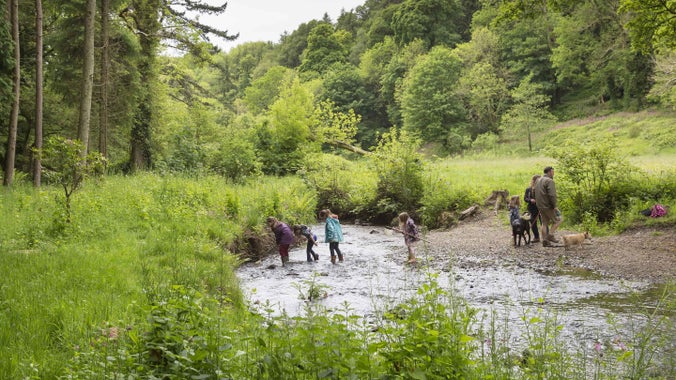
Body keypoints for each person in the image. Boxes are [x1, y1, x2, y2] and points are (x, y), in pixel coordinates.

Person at [534, 166, 561, 246]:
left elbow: (533, 192)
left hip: (540, 205)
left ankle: (545, 241)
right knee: (558, 220)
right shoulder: (549, 181)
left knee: (544, 223)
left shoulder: (538, 180)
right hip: (548, 205)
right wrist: (554, 206)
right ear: (549, 172)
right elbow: (552, 195)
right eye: (553, 172)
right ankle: (550, 235)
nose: (553, 173)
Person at [524, 174, 541, 243]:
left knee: (544, 223)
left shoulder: (541, 189)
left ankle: (546, 238)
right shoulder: (528, 189)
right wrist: (530, 200)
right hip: (531, 208)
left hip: (541, 208)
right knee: (533, 223)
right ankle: (536, 237)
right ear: (534, 181)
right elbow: (525, 198)